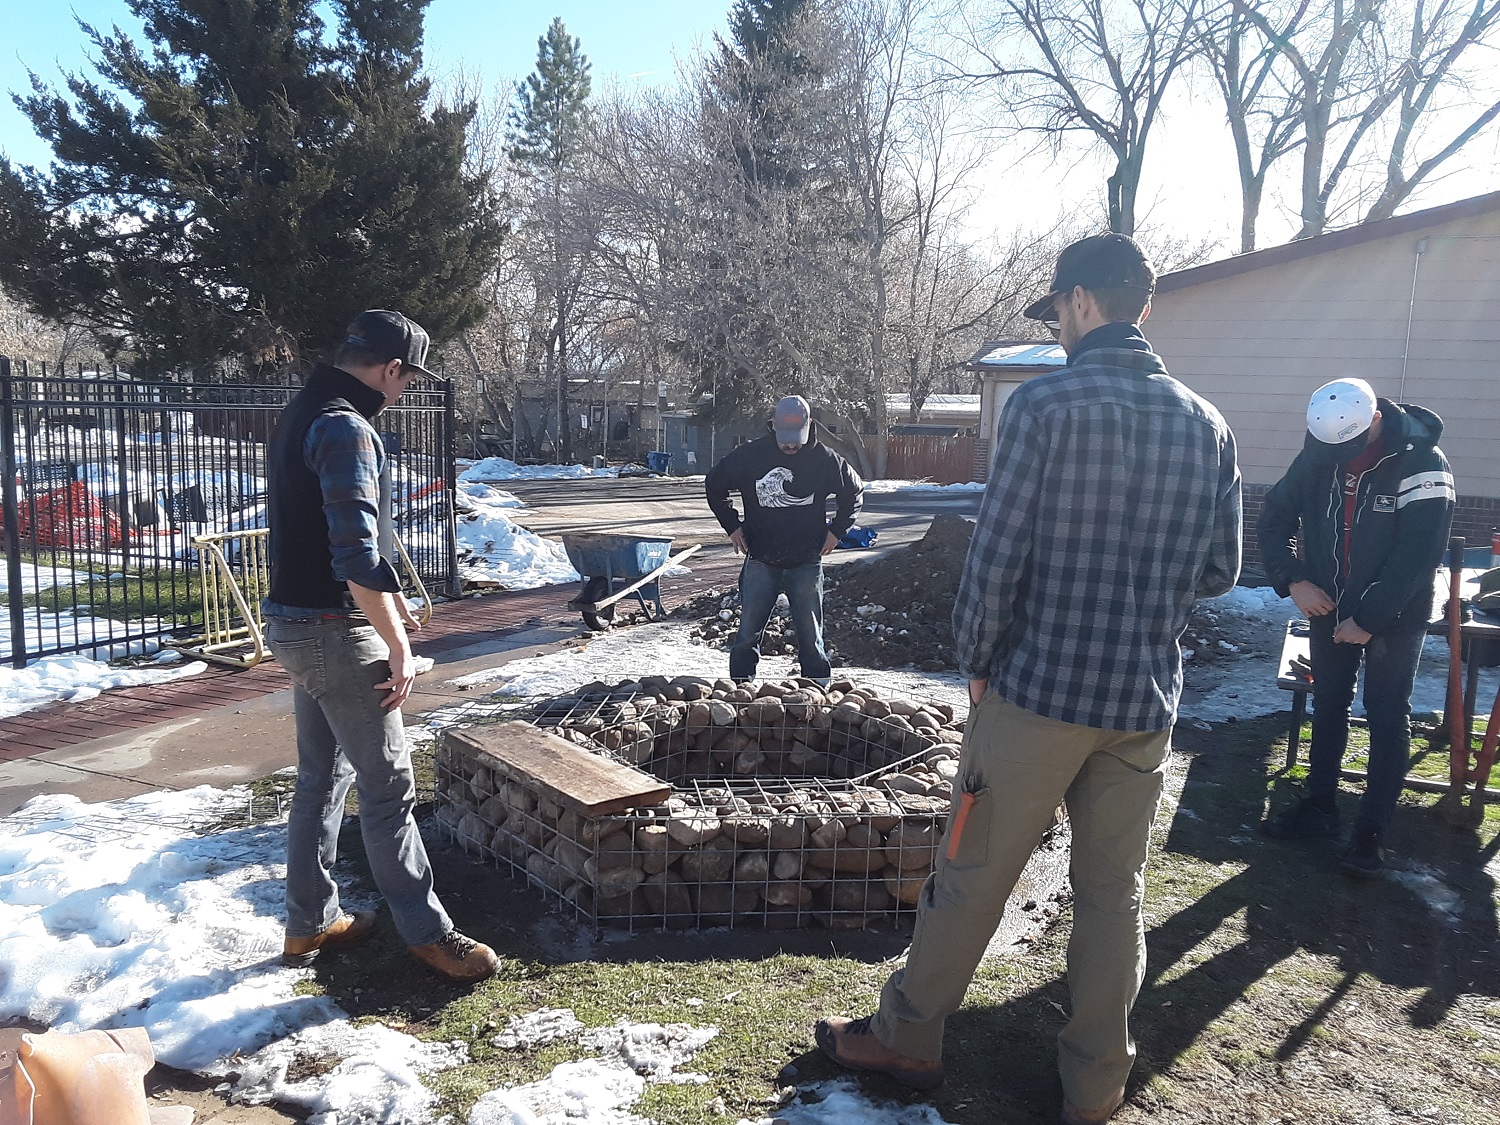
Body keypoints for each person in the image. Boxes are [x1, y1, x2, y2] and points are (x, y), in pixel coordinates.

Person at [816, 233, 1242, 1125]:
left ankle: (909, 1035)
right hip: (1141, 702)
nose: (1056, 328)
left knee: (970, 870)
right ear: (1144, 307)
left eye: (1055, 311)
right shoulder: (1209, 424)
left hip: (1038, 691)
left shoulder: (1046, 409)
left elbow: (997, 555)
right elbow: (1220, 571)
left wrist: (977, 659)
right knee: (1113, 893)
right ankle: (1096, 1085)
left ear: (1082, 301)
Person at [264, 309, 498, 983]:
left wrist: (392, 603)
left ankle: (309, 921)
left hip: (295, 624)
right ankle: (430, 933)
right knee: (389, 784)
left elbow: (326, 534)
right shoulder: (346, 427)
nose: (402, 395)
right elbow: (357, 554)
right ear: (390, 369)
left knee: (321, 776)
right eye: (406, 381)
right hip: (335, 632)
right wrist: (395, 643)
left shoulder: (305, 408)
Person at [1259, 377, 1453, 876]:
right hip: (1325, 604)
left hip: (1395, 614)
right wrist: (1293, 579)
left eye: (1348, 446)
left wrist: (1369, 618)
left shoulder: (1423, 463)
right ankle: (1320, 806)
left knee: (1388, 715)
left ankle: (1371, 833)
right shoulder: (1318, 452)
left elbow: (1418, 555)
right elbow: (1274, 518)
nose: (1338, 457)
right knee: (1328, 705)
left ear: (1374, 419)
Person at [704, 395, 863, 683]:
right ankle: (740, 687)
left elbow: (854, 493)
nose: (791, 445)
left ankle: (816, 687)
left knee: (810, 634)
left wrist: (837, 531)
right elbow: (714, 485)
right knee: (746, 633)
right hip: (761, 559)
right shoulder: (750, 456)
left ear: (809, 425)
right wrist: (732, 526)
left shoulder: (825, 460)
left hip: (806, 562)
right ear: (773, 425)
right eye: (785, 438)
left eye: (797, 438)